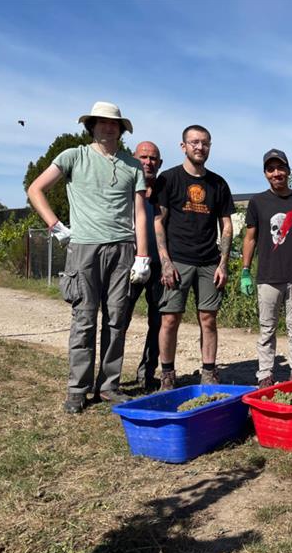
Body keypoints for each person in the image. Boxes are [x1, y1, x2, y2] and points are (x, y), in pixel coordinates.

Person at [27, 101, 150, 413]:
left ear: (121, 129)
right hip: (84, 248)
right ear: (92, 126)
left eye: (114, 124)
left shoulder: (132, 166)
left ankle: (108, 386)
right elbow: (36, 189)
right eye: (102, 122)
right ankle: (77, 390)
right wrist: (54, 225)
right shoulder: (73, 156)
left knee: (116, 319)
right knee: (84, 319)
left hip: (123, 249)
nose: (108, 127)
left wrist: (143, 256)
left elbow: (139, 212)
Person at [153, 125, 234, 390]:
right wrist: (165, 260)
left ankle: (209, 372)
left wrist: (223, 262)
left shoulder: (218, 183)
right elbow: (159, 221)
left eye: (205, 143)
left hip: (209, 261)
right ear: (183, 146)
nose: (200, 147)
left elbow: (227, 225)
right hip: (177, 260)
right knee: (170, 318)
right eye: (194, 142)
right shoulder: (169, 179)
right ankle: (167, 373)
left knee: (208, 319)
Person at [241, 149, 292, 389]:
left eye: (280, 168)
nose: (276, 173)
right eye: (271, 169)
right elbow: (250, 238)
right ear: (265, 173)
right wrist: (245, 271)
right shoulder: (257, 202)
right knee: (266, 329)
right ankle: (265, 374)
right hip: (267, 277)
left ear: (288, 171)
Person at [121, 141, 164, 391]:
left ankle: (147, 374)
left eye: (153, 158)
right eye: (143, 157)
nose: (148, 162)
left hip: (159, 267)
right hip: (129, 264)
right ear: (134, 159)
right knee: (119, 319)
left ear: (160, 163)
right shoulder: (125, 190)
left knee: (158, 323)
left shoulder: (165, 191)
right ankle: (110, 377)